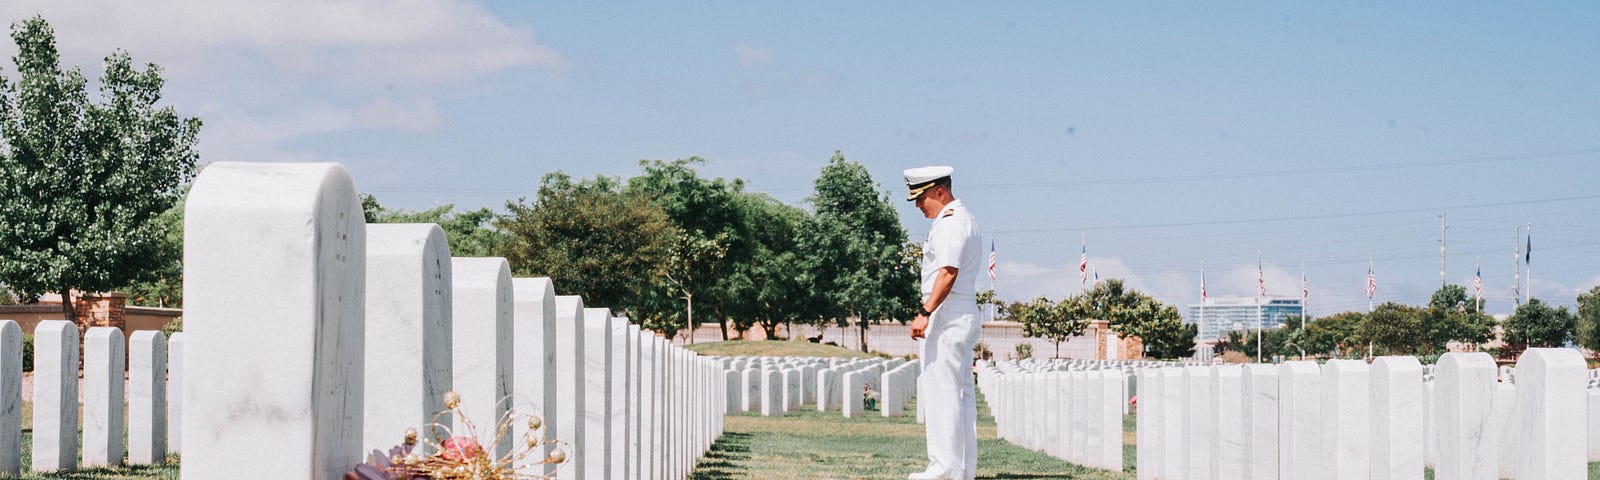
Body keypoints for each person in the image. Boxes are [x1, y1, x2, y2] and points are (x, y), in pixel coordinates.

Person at [903, 165, 982, 480]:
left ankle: (943, 469)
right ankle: (961, 469)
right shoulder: (966, 220)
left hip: (947, 315)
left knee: (943, 393)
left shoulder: (950, 223)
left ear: (939, 191)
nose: (919, 206)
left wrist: (925, 312)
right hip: (960, 312)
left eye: (921, 198)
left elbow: (948, 272)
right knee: (959, 395)